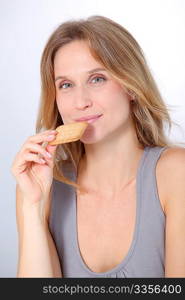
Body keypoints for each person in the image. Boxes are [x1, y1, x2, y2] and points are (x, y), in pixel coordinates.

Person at [11, 15, 185, 278]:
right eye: (66, 85)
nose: (81, 102)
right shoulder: (39, 188)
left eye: (97, 79)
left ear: (132, 86)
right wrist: (33, 208)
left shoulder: (176, 174)